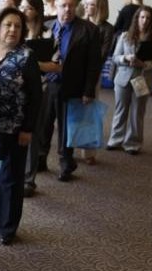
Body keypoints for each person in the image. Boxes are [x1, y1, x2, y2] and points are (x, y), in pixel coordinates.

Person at [0, 7, 42, 245]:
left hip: (14, 128)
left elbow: (36, 97)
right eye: (8, 24)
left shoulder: (27, 56)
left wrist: (28, 128)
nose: (12, 30)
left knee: (10, 178)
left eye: (18, 26)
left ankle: (7, 227)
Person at [37, 0, 101, 182]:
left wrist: (89, 90)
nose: (68, 9)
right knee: (45, 123)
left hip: (73, 85)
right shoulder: (46, 27)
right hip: (48, 85)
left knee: (67, 127)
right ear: (56, 6)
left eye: (71, 5)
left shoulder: (89, 30)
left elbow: (94, 64)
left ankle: (66, 163)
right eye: (64, 5)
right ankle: (41, 158)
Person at [107, 6, 152, 156]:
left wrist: (144, 64)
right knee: (120, 110)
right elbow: (115, 58)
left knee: (137, 113)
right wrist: (125, 58)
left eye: (148, 18)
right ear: (136, 18)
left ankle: (133, 143)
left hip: (142, 79)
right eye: (141, 17)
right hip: (123, 78)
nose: (144, 21)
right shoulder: (124, 36)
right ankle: (115, 140)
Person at [19, 0, 52, 197]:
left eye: (28, 7)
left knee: (32, 130)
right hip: (16, 87)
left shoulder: (47, 34)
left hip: (40, 87)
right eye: (22, 7)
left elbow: (55, 66)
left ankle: (29, 179)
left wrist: (33, 63)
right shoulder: (16, 31)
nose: (24, 11)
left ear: (37, 11)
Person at [79, 0, 113, 165]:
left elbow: (102, 54)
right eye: (85, 4)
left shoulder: (106, 28)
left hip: (93, 75)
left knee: (90, 113)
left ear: (100, 7)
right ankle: (71, 147)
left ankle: (89, 152)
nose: (86, 7)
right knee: (73, 111)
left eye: (91, 4)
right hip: (75, 73)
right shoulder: (79, 24)